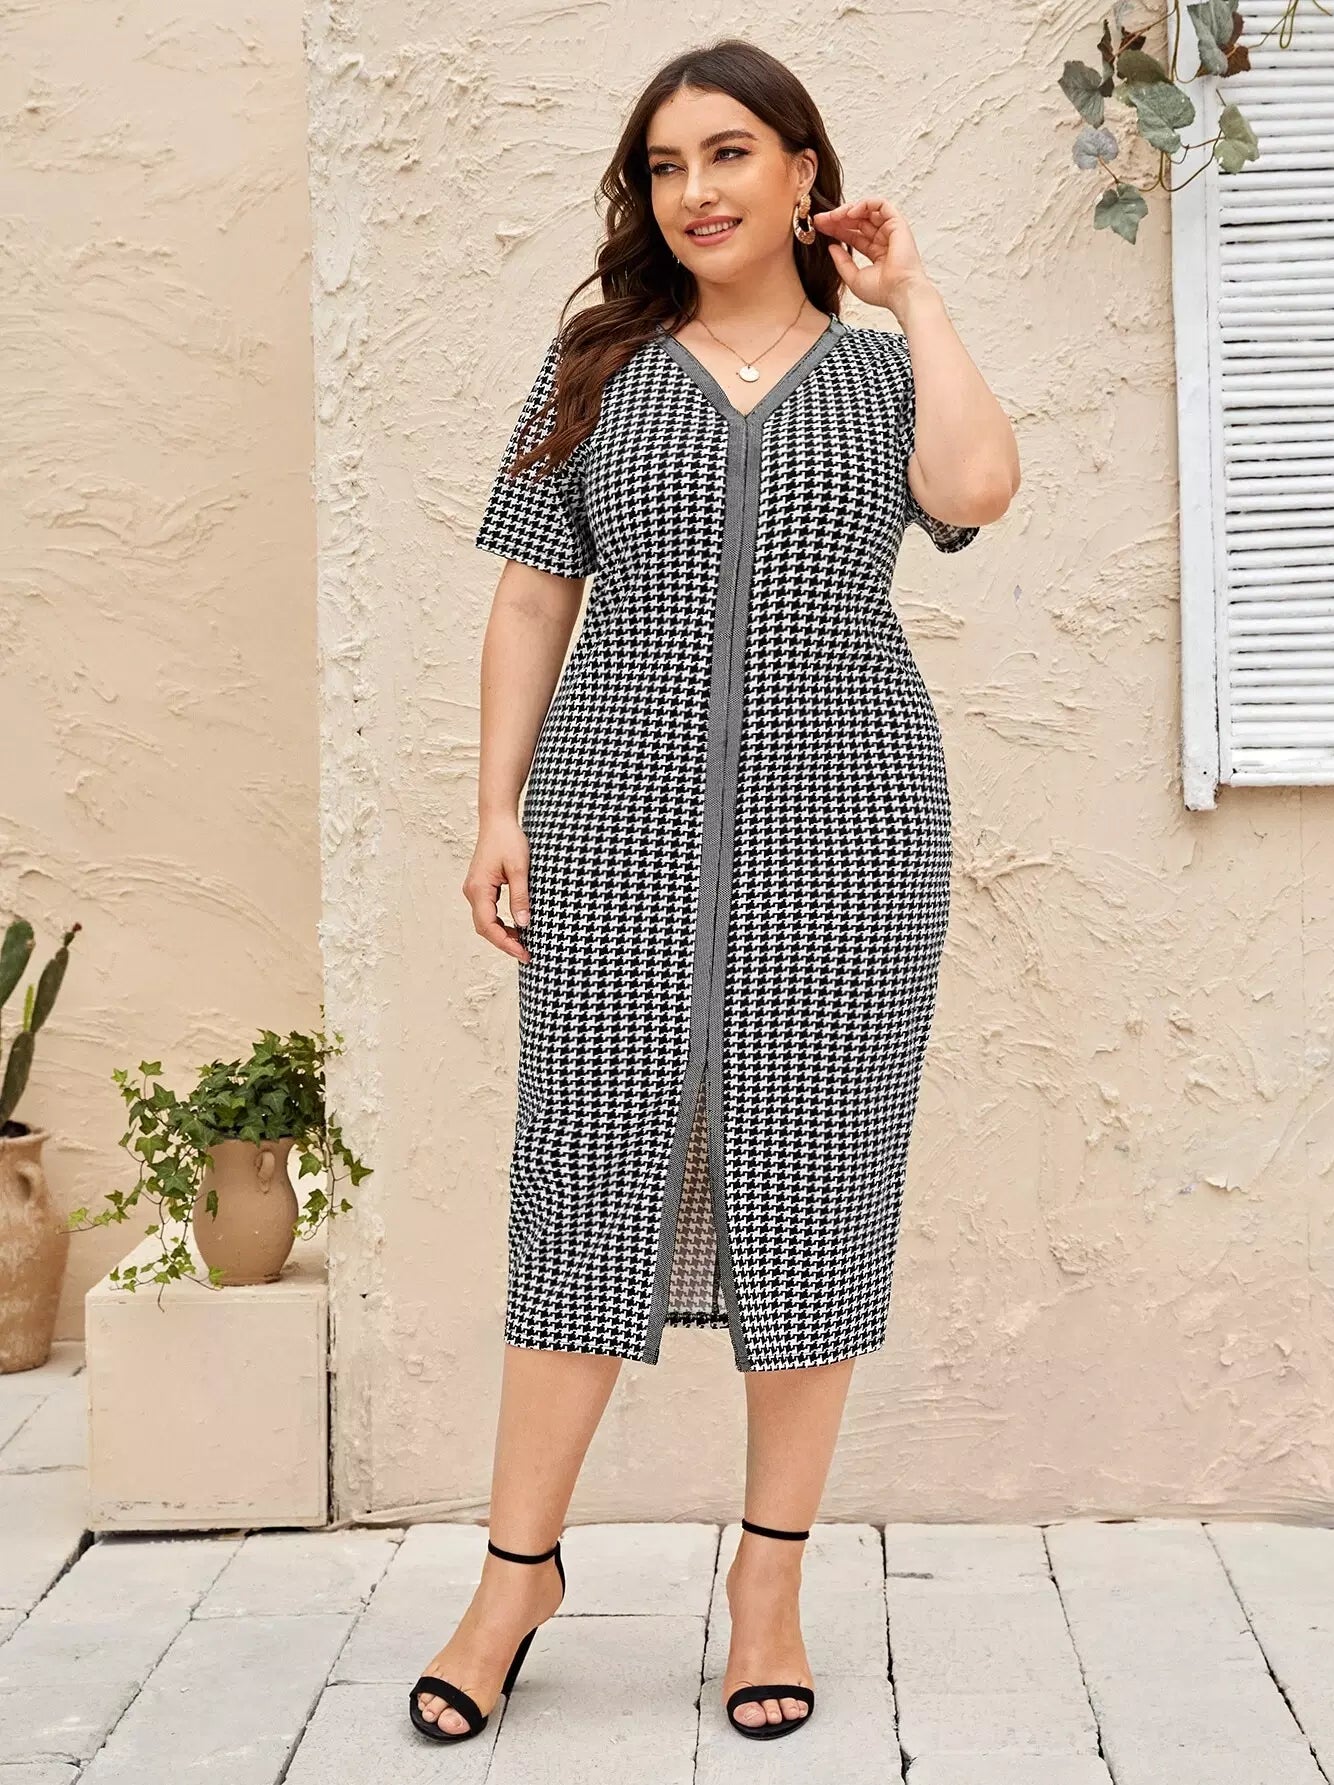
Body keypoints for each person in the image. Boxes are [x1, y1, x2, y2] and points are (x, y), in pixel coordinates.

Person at [411, 34, 1018, 1748]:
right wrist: (496, 805)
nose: (697, 192)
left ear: (805, 174)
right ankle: (514, 1573)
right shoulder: (599, 362)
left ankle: (770, 1581)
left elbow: (978, 490)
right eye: (667, 166)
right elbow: (534, 591)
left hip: (852, 830)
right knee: (583, 1165)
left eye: (732, 153)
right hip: (616, 816)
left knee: (815, 1174)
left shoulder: (883, 372)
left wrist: (915, 297)